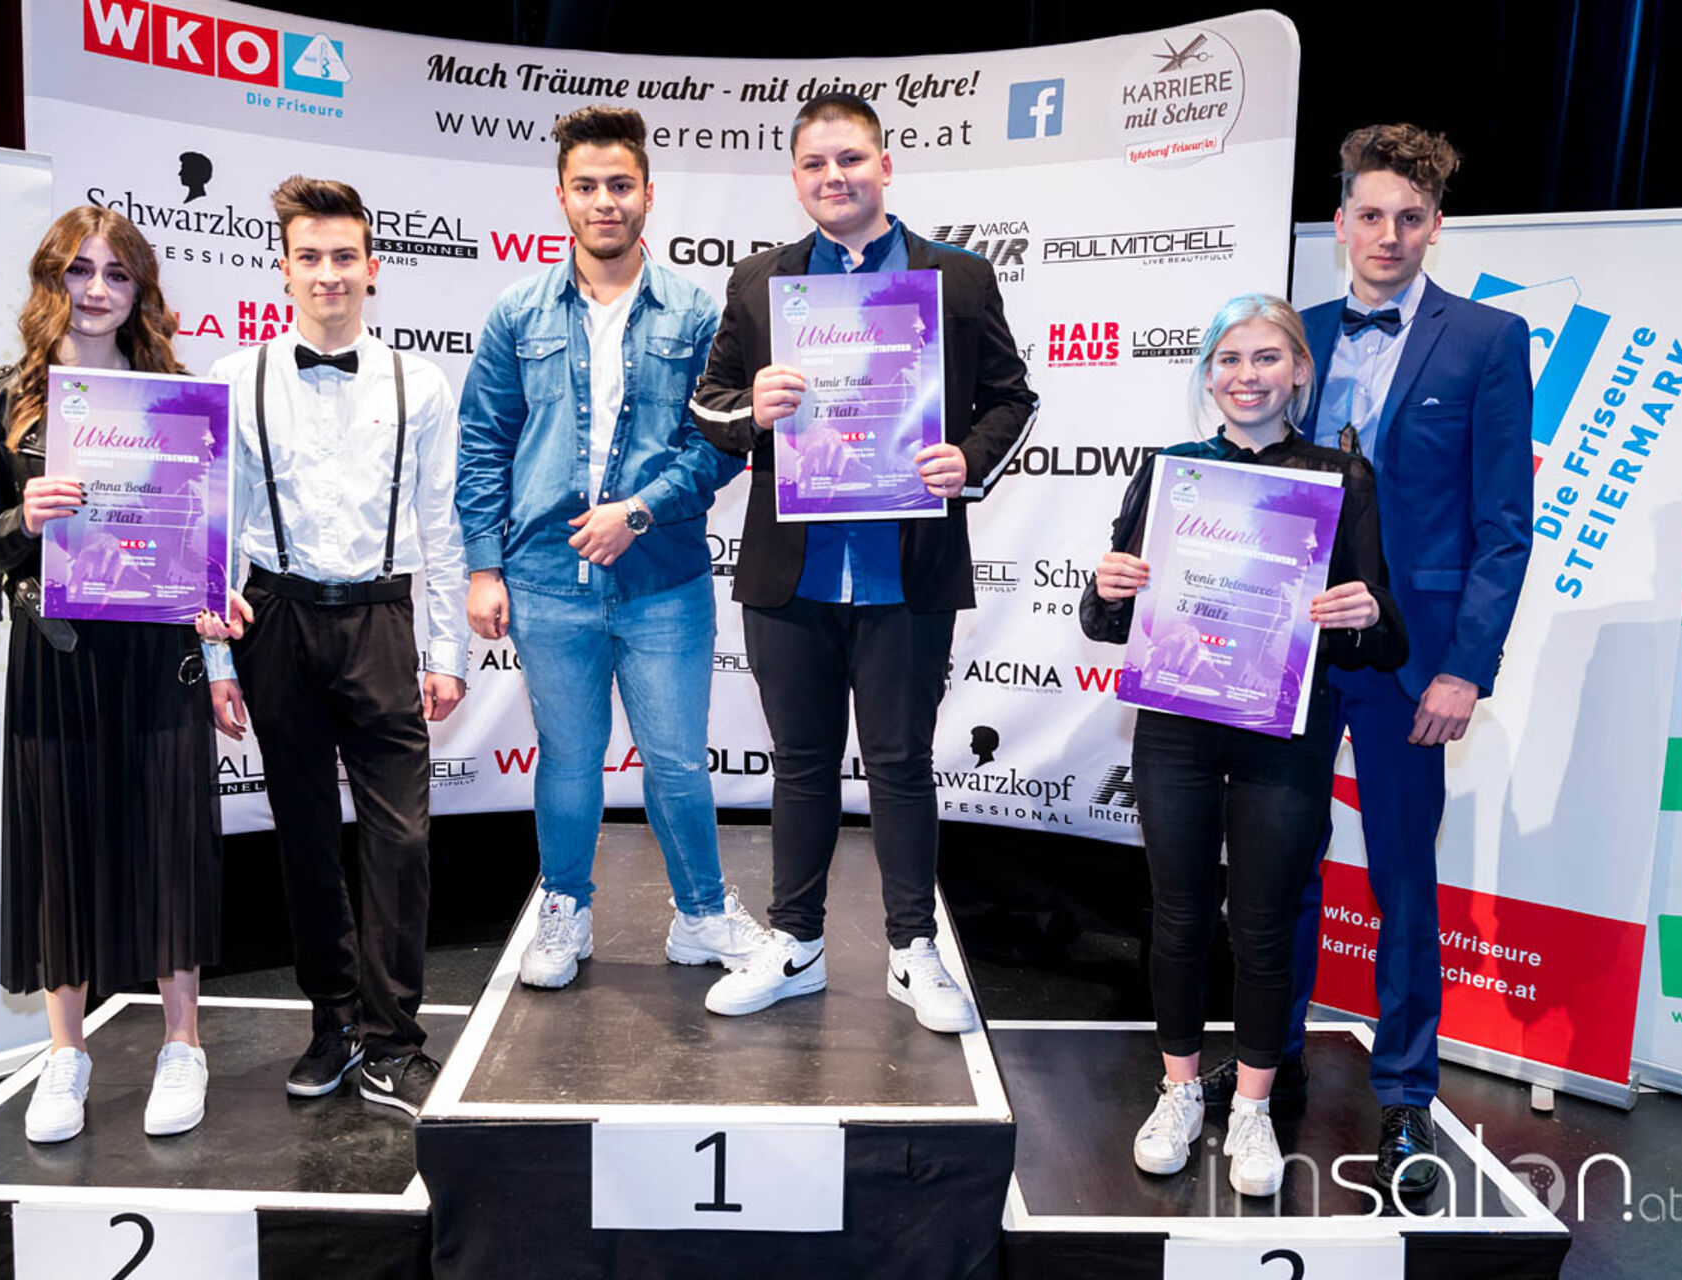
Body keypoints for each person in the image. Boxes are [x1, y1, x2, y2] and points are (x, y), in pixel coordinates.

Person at [1195, 125, 1534, 1197]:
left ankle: (1405, 1094)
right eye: (1371, 215)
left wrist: (1465, 668)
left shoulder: (1488, 339)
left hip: (1411, 662)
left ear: (1436, 227)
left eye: (1410, 217)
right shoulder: (1293, 334)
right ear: (1340, 223)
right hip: (1287, 650)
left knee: (1401, 879)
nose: (1389, 234)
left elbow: (1505, 525)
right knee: (1276, 870)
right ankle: (1273, 1056)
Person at [691, 93, 1038, 1032]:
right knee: (801, 766)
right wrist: (752, 407)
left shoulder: (956, 278)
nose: (833, 177)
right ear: (795, 177)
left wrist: (968, 460)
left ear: (885, 166)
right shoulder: (760, 282)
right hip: (792, 573)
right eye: (814, 164)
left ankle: (911, 949)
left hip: (906, 569)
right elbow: (710, 403)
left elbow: (1014, 397)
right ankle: (796, 944)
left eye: (850, 159)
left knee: (901, 766)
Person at [1080, 293, 1408, 1196]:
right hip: (1177, 730)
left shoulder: (1342, 479)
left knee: (1263, 924)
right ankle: (1180, 1091)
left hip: (1283, 737)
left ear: (1300, 371)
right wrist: (1108, 586)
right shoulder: (1172, 471)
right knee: (1179, 916)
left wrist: (1366, 611)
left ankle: (1254, 1107)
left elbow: (1383, 641)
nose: (1247, 375)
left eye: (1267, 358)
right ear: (1208, 374)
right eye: (1229, 359)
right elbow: (1107, 623)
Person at [457, 105, 764, 989]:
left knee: (676, 762)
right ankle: (564, 909)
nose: (605, 202)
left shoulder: (698, 311)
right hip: (546, 578)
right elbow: (483, 441)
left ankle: (701, 915)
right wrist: (483, 565)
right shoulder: (518, 311)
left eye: (620, 185)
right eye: (587, 186)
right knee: (566, 758)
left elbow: (720, 444)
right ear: (561, 197)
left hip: (663, 576)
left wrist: (637, 511)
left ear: (648, 196)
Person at [195, 176, 469, 1117]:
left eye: (344, 256)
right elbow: (216, 524)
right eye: (309, 257)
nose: (328, 274)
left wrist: (446, 651)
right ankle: (334, 1023)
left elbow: (442, 524)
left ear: (373, 267)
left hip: (382, 619)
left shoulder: (419, 383)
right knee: (305, 836)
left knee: (402, 839)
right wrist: (220, 661)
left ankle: (395, 1041)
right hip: (273, 618)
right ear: (283, 270)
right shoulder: (235, 377)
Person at [0, 206, 220, 1143]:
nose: (96, 290)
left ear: (140, 291)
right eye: (79, 270)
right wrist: (23, 519)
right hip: (56, 659)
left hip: (159, 655)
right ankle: (66, 1054)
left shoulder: (178, 399)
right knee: (60, 845)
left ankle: (183, 1043)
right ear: (50, 280)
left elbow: (207, 532)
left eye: (117, 274)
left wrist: (213, 598)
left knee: (170, 841)